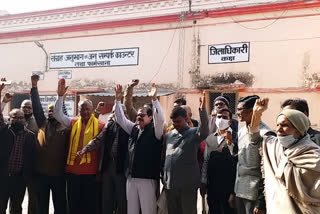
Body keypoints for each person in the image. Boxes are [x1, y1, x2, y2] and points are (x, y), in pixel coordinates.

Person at [249, 98, 320, 213]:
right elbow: (254, 138)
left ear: (299, 128)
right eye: (277, 125)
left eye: (285, 125)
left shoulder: (313, 154)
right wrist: (257, 113)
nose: (278, 129)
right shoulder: (274, 146)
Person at [53, 79, 105, 214]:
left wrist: (100, 170)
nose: (85, 111)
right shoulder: (73, 122)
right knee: (73, 205)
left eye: (88, 109)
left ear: (92, 110)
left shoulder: (101, 126)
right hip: (72, 172)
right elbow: (58, 114)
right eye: (82, 109)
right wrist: (59, 97)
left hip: (91, 173)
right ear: (78, 110)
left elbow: (103, 150)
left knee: (88, 206)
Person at [114, 83, 164, 214]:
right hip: (131, 178)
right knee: (132, 211)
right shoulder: (134, 129)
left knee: (148, 210)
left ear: (150, 117)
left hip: (147, 179)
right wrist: (118, 100)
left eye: (142, 115)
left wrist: (154, 100)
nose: (139, 117)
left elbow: (160, 119)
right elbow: (120, 119)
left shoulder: (156, 131)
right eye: (138, 115)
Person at [77, 104, 129, 214]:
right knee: (107, 199)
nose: (115, 114)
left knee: (122, 200)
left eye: (118, 112)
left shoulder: (130, 127)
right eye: (114, 112)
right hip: (108, 166)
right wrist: (85, 150)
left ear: (125, 113)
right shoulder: (110, 125)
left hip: (122, 169)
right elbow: (98, 140)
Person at [162, 93, 209, 214]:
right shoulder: (169, 135)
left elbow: (204, 130)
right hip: (170, 185)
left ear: (186, 119)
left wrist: (203, 110)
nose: (175, 125)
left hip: (187, 186)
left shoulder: (194, 133)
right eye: (173, 122)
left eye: (178, 121)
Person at [30, 75, 69, 214]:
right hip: (41, 174)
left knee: (60, 206)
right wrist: (34, 87)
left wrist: (61, 97)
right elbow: (36, 106)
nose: (51, 113)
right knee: (42, 207)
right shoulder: (42, 123)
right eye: (50, 111)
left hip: (58, 175)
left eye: (54, 111)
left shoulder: (66, 127)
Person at [0, 80, 38, 214]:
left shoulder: (30, 136)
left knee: (16, 209)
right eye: (15, 117)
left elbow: (34, 157)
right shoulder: (4, 131)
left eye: (22, 118)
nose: (19, 120)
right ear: (9, 119)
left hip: (19, 179)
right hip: (3, 177)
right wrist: (3, 100)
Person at [235, 95, 270, 214]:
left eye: (240, 109)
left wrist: (261, 201)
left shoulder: (265, 133)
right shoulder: (241, 131)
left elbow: (266, 169)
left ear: (251, 111)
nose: (237, 112)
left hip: (254, 194)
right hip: (240, 190)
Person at [200, 108, 237, 214]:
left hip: (229, 187)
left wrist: (230, 144)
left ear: (230, 121)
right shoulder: (210, 138)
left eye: (225, 117)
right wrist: (203, 181)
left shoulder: (236, 137)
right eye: (219, 117)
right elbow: (206, 161)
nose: (221, 119)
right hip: (213, 186)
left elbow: (236, 161)